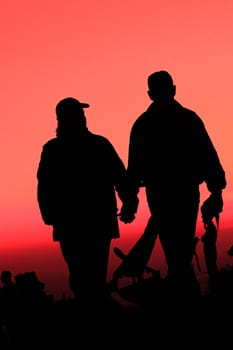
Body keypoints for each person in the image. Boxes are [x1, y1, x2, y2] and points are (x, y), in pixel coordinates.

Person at [119, 70, 226, 298]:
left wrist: (130, 202)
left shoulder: (143, 125)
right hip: (184, 193)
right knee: (180, 249)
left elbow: (134, 170)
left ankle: (182, 294)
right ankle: (186, 293)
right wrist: (216, 191)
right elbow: (209, 157)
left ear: (150, 94)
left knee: (175, 250)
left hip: (162, 195)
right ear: (174, 89)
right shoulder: (188, 119)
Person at [37, 97, 129, 311]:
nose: (83, 117)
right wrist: (128, 203)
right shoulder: (95, 144)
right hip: (90, 223)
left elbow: (120, 178)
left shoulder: (55, 149)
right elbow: (45, 186)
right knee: (87, 275)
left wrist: (128, 202)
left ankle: (91, 314)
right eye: (79, 114)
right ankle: (94, 314)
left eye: (82, 114)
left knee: (84, 276)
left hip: (79, 224)